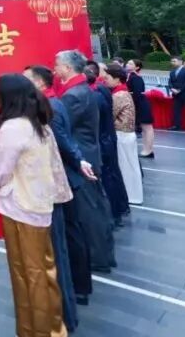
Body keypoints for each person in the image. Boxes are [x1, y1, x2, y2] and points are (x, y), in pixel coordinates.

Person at [0, 74, 71, 337]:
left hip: (19, 207)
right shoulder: (39, 124)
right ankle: (52, 329)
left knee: (27, 275)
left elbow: (0, 170)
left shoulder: (12, 128)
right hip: (40, 205)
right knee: (45, 271)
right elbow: (56, 166)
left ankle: (35, 331)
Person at [24, 64, 82, 330]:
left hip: (51, 192)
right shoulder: (50, 105)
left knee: (57, 251)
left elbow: (59, 148)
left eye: (27, 79)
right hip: (52, 189)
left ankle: (62, 314)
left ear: (39, 83)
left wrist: (79, 161)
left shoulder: (48, 109)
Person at [55, 50, 116, 278]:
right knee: (95, 205)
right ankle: (102, 254)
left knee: (89, 209)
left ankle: (98, 256)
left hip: (81, 158)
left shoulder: (73, 95)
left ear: (67, 68)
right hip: (88, 153)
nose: (55, 69)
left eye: (57, 65)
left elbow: (61, 127)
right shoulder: (84, 89)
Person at [85, 61, 128, 226]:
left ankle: (114, 215)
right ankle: (119, 209)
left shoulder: (95, 94)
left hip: (102, 142)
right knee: (113, 176)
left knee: (108, 180)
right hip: (107, 139)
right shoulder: (102, 90)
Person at [104, 64, 143, 206]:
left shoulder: (118, 95)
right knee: (130, 166)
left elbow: (110, 115)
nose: (105, 80)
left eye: (107, 78)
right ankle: (133, 195)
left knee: (127, 167)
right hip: (126, 134)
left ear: (117, 79)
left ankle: (131, 195)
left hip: (122, 134)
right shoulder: (123, 92)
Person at [125, 59, 155, 158]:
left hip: (141, 104)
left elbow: (137, 93)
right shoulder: (130, 76)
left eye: (130, 63)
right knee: (144, 128)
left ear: (137, 67)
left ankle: (149, 150)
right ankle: (147, 149)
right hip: (138, 103)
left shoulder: (135, 77)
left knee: (147, 128)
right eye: (128, 63)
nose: (127, 64)